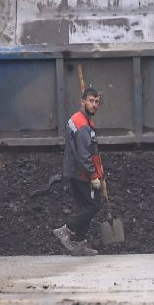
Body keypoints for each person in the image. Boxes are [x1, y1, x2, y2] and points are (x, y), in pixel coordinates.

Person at [54, 86, 103, 256]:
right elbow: (84, 154)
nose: (94, 104)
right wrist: (93, 175)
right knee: (94, 205)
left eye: (97, 102)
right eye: (91, 101)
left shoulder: (81, 119)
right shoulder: (82, 125)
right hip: (81, 173)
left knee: (86, 206)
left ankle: (79, 244)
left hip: (77, 171)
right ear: (82, 102)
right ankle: (66, 230)